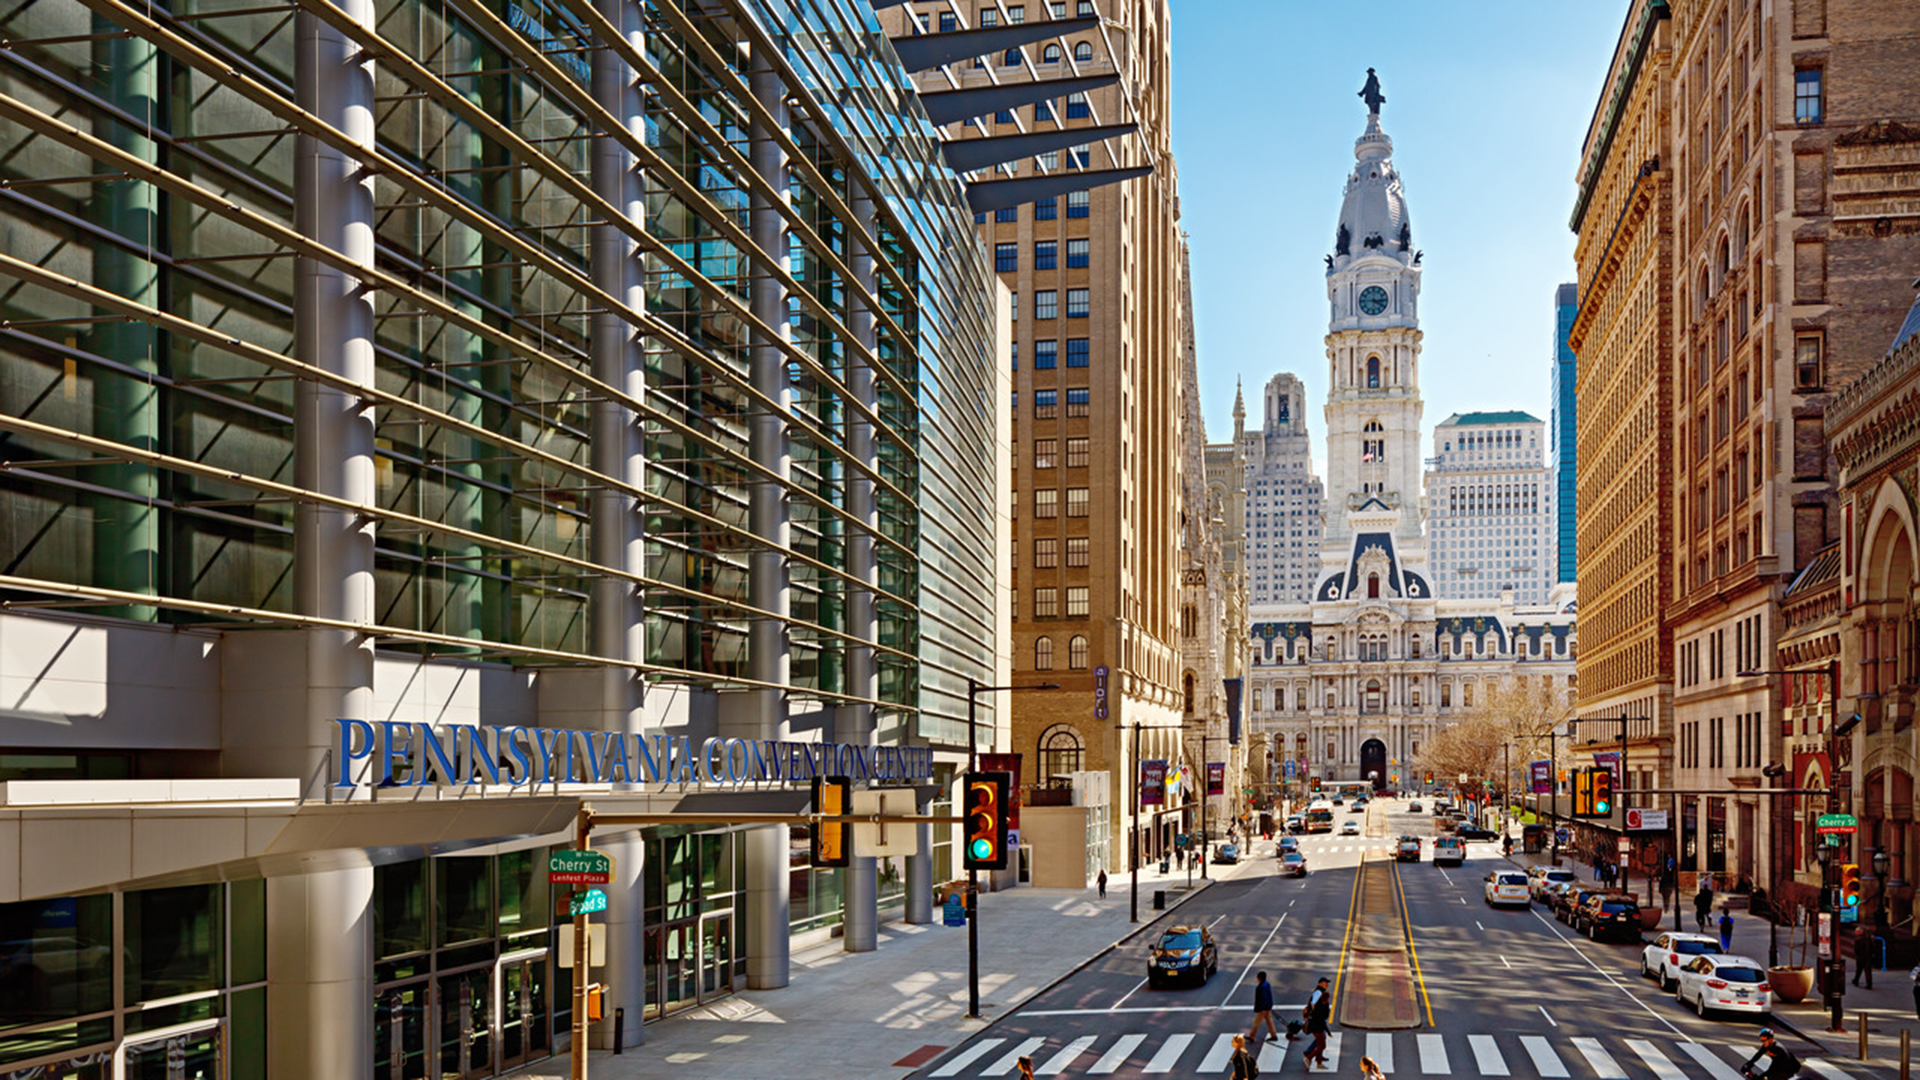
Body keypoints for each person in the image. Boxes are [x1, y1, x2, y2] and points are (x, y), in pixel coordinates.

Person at [1303, 977, 1332, 1070]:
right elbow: (1312, 1004)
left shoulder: (1320, 993)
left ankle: (1319, 1060)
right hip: (1317, 1024)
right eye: (1325, 982)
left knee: (1320, 1042)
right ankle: (1309, 1056)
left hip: (1317, 1023)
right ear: (1320, 983)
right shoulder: (1318, 993)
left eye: (1327, 983)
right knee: (1321, 1045)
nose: (1327, 984)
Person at [1248, 971, 1279, 1042]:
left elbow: (1263, 998)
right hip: (1267, 1007)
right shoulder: (1267, 984)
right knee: (1269, 1021)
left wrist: (1262, 1008)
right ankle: (1273, 1035)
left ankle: (1251, 1036)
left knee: (1256, 1022)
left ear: (1259, 978)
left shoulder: (1261, 987)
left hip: (1263, 1008)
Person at [1854, 924, 1875, 988]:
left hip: (1861, 956)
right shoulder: (1868, 939)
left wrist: (1856, 955)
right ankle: (1869, 983)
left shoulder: (1858, 940)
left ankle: (1856, 980)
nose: (1855, 933)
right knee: (1867, 970)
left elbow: (1856, 949)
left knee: (1859, 969)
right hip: (1868, 956)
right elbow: (1872, 947)